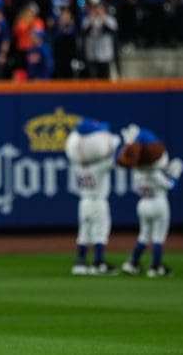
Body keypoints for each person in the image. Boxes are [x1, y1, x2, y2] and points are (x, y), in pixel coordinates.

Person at [117, 125, 183, 277]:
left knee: (143, 236)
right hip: (158, 203)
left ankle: (133, 262)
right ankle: (155, 267)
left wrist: (129, 144)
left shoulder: (137, 171)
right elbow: (170, 186)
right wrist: (175, 174)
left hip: (143, 203)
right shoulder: (154, 173)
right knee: (158, 237)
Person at [65, 118, 120, 275]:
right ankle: (98, 263)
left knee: (83, 233)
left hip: (84, 203)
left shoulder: (77, 164)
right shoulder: (100, 164)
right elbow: (116, 158)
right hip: (98, 201)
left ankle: (80, 262)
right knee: (100, 233)